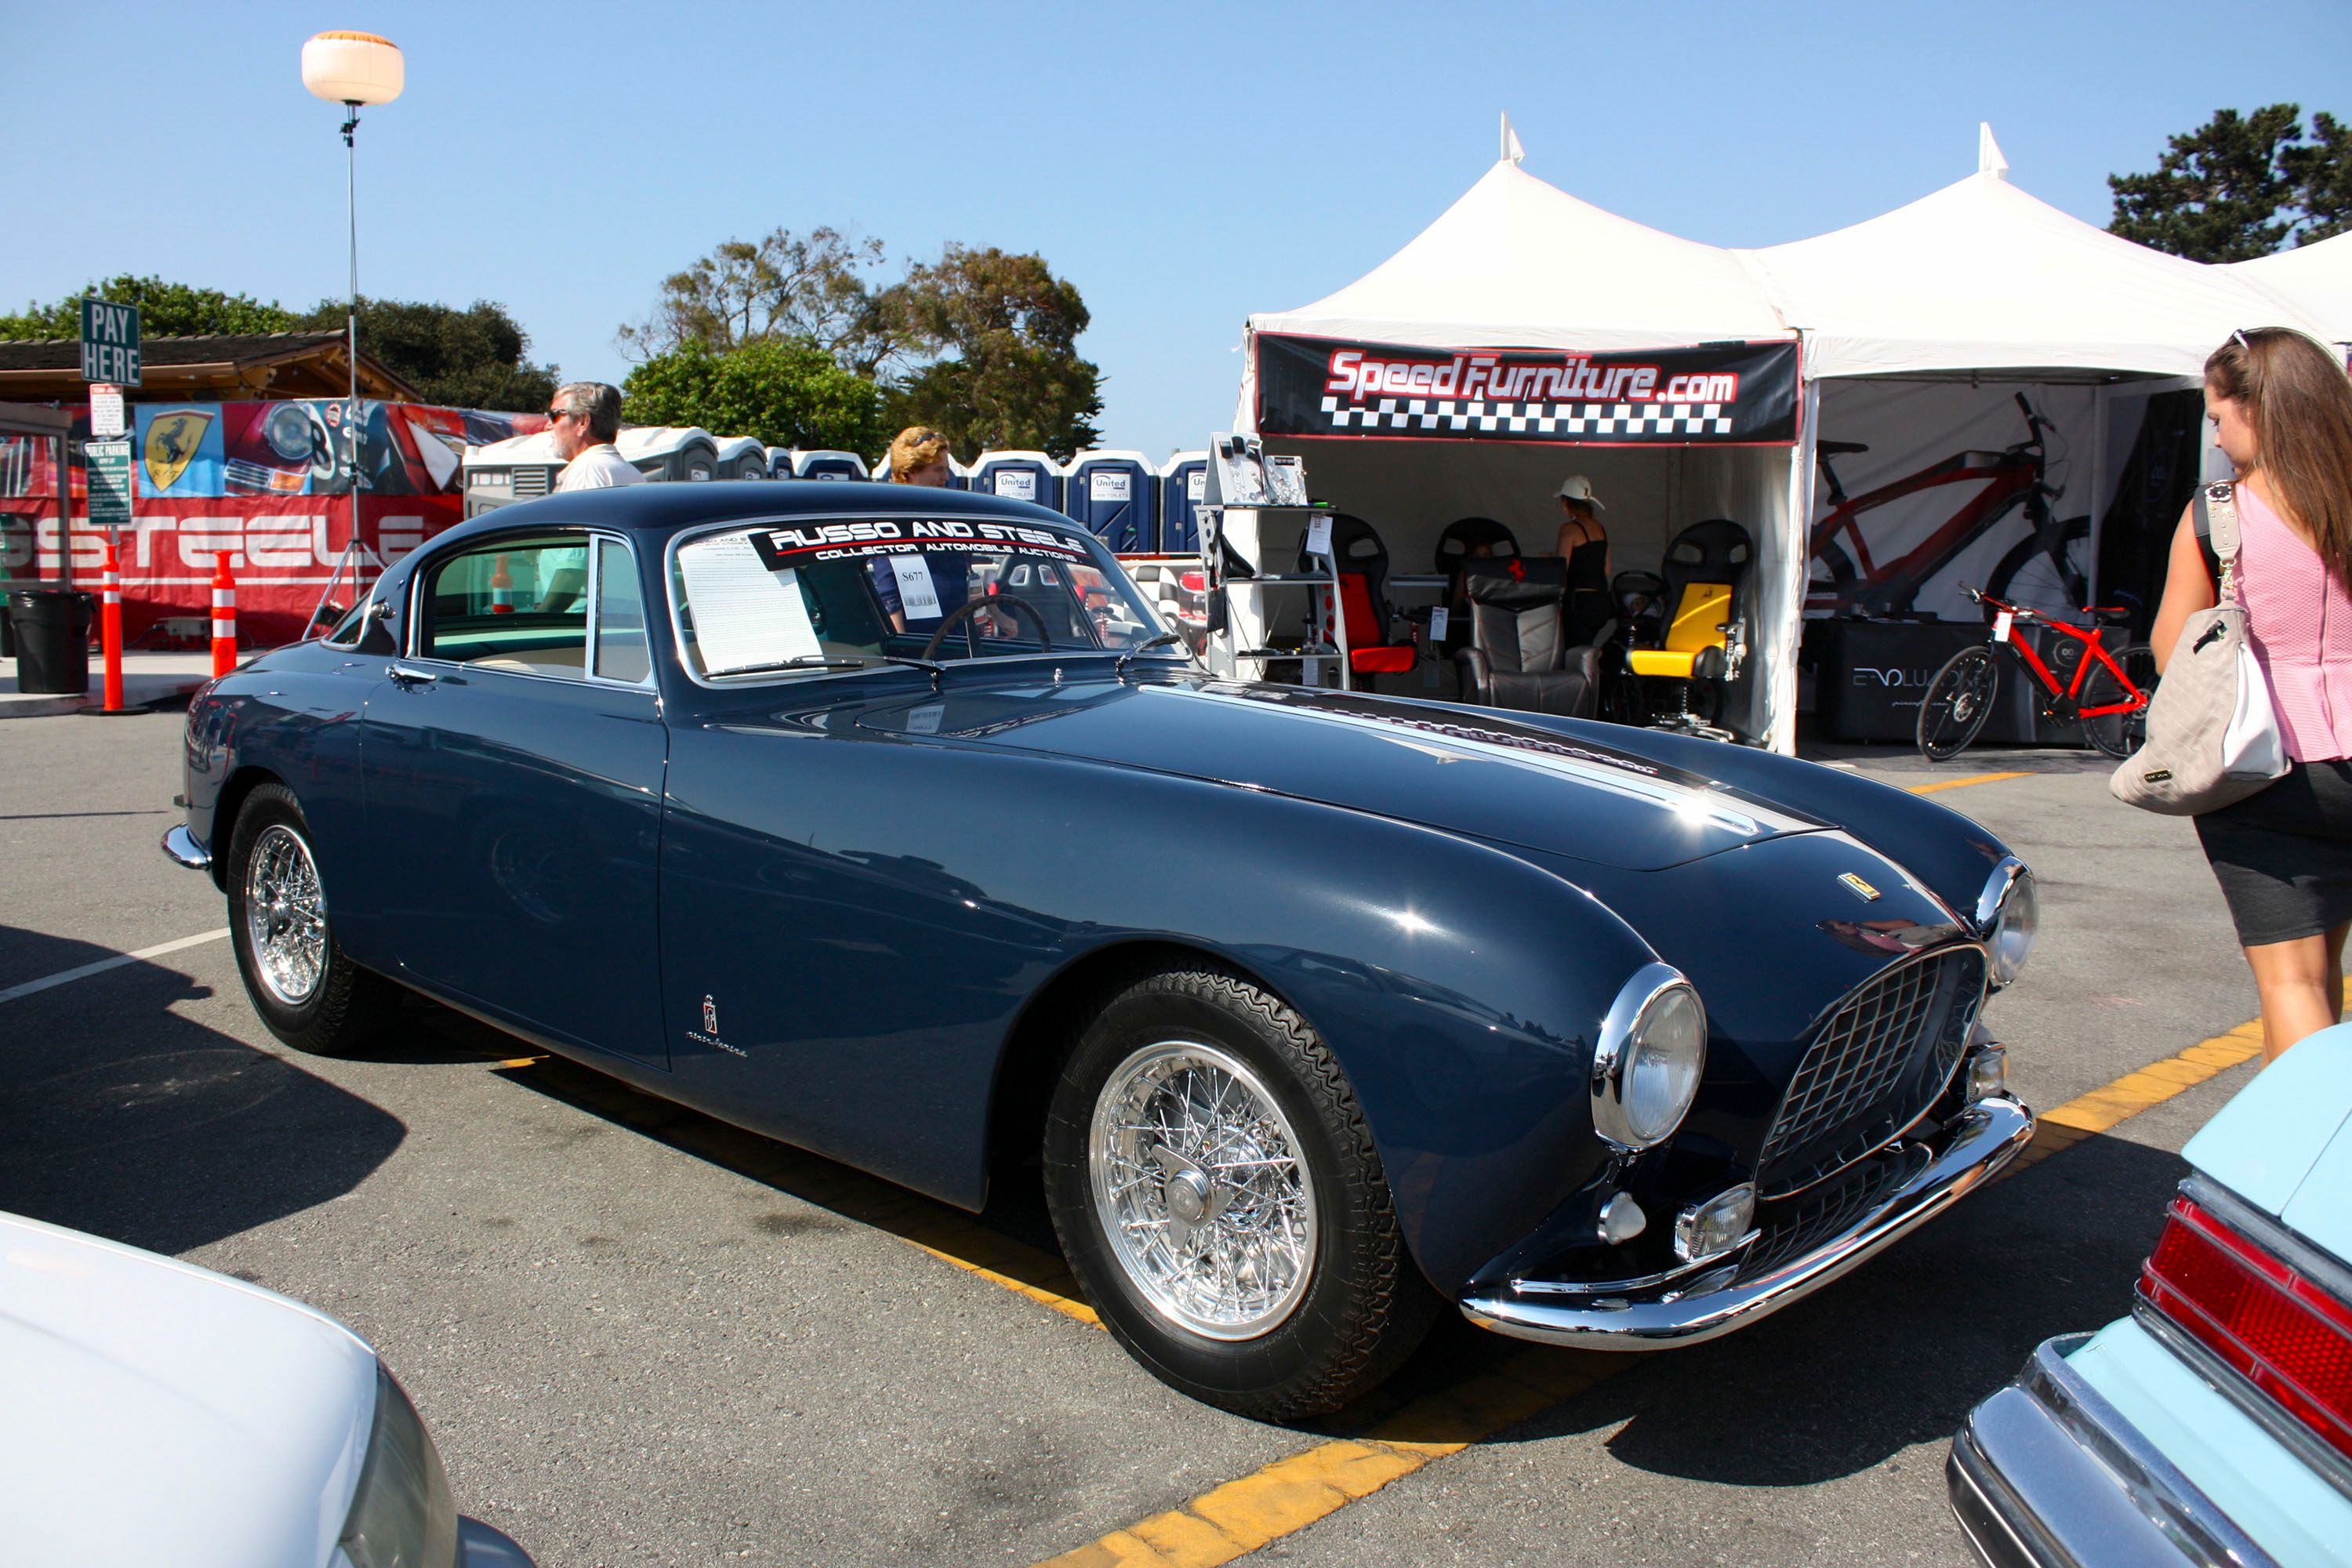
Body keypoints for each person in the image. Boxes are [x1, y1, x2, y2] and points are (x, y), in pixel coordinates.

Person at [2151, 328, 2352, 1063]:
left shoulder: (2220, 512)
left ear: (2257, 410)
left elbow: (2175, 647)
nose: (2216, 431)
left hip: (2269, 769)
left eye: (2218, 415)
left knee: (2292, 984)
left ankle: (2305, 1166)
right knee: (2324, 973)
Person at [1553, 475, 1615, 648]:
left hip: (1580, 603)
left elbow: (1561, 567)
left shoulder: (1570, 529)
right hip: (1601, 601)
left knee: (1573, 651)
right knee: (1586, 649)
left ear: (1566, 503)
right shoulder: (1600, 528)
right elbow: (1607, 569)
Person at [548, 383, 644, 492]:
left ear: (583, 422)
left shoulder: (586, 472)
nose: (548, 425)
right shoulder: (631, 472)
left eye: (554, 416)